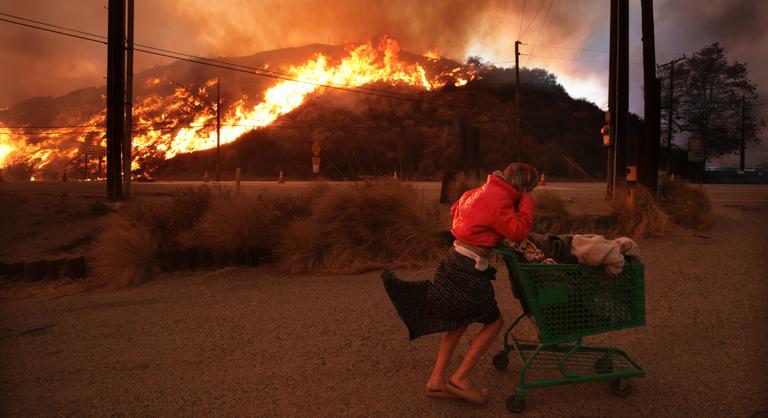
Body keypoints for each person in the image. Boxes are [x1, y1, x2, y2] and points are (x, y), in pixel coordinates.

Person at [382, 162, 538, 405]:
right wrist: (526, 202)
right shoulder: (499, 200)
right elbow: (518, 231)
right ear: (523, 186)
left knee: (459, 321)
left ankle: (436, 380)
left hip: (454, 259)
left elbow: (454, 211)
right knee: (494, 322)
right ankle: (460, 378)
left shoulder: (477, 191)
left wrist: (480, 231)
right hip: (470, 269)